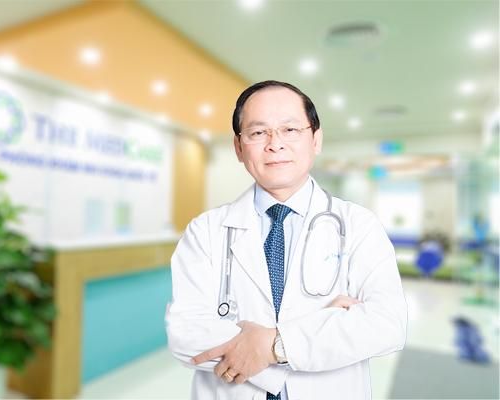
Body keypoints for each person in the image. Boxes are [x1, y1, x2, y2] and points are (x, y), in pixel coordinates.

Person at [165, 80, 407, 400]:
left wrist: (273, 346)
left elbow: (386, 324)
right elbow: (186, 334)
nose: (275, 144)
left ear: (316, 139)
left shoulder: (359, 226)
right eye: (257, 132)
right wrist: (321, 326)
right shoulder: (205, 231)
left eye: (290, 130)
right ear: (238, 147)